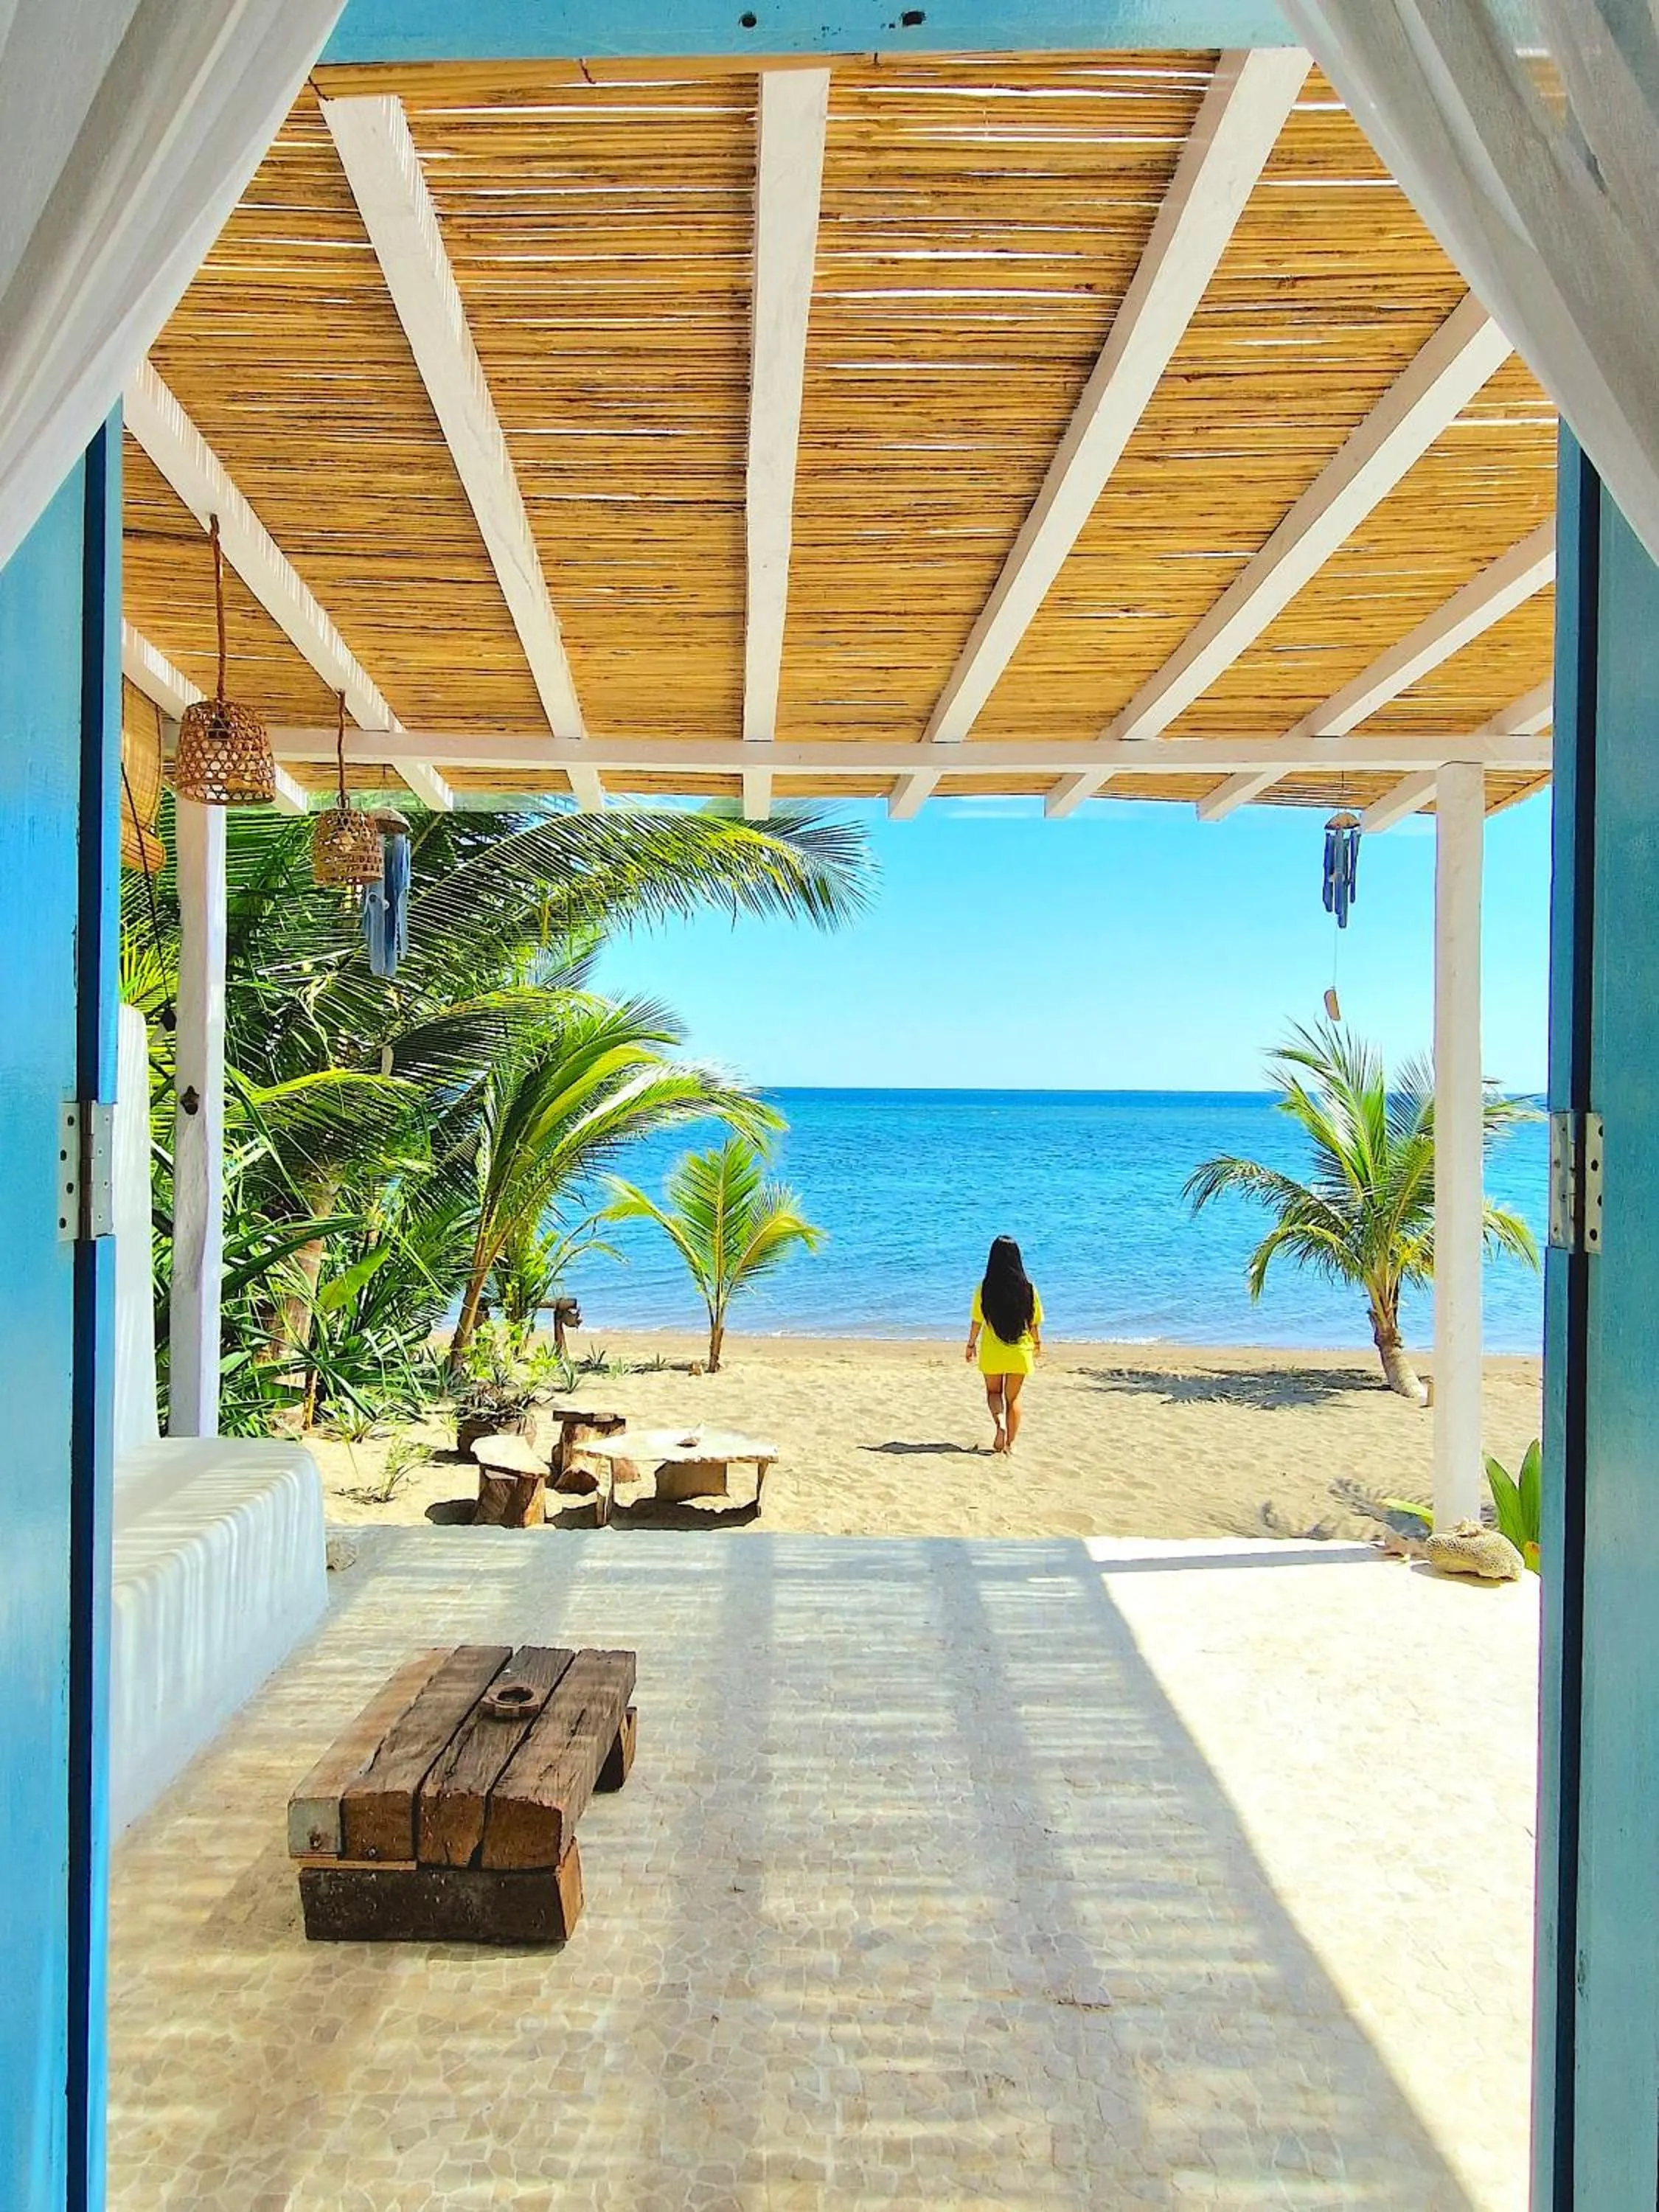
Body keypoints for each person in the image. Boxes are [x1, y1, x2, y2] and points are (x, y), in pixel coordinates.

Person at [964, 1235, 1043, 1455]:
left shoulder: (984, 1288)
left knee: (993, 1393)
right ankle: (1009, 1444)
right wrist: (1037, 1344)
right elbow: (1033, 1322)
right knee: (1014, 1398)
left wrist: (971, 1345)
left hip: (993, 1350)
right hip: (1020, 1351)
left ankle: (999, 1425)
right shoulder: (1029, 1289)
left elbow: (977, 1321)